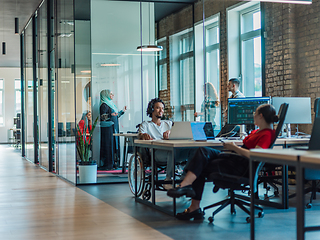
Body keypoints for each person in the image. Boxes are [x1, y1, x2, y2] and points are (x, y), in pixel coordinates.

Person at [167, 104, 278, 220]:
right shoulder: (257, 131)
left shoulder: (267, 134)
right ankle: (187, 190)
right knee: (202, 152)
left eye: (255, 114)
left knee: (201, 163)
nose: (253, 116)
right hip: (235, 159)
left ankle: (191, 199)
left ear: (260, 116)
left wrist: (234, 148)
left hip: (240, 166)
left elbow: (256, 155)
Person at [138, 98, 193, 185]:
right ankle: (168, 180)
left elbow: (179, 132)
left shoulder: (168, 124)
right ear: (152, 109)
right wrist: (143, 135)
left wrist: (170, 132)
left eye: (162, 108)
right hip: (156, 153)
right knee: (171, 151)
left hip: (173, 151)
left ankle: (184, 177)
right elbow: (140, 134)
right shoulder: (146, 124)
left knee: (193, 150)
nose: (161, 110)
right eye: (158, 108)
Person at [99, 89, 127, 170]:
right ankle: (108, 164)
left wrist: (122, 111)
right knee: (109, 145)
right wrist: (110, 115)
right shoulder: (104, 105)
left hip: (113, 128)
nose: (113, 95)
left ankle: (114, 163)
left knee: (114, 145)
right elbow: (103, 117)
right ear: (106, 95)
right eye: (111, 94)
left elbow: (115, 115)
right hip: (107, 129)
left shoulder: (111, 105)